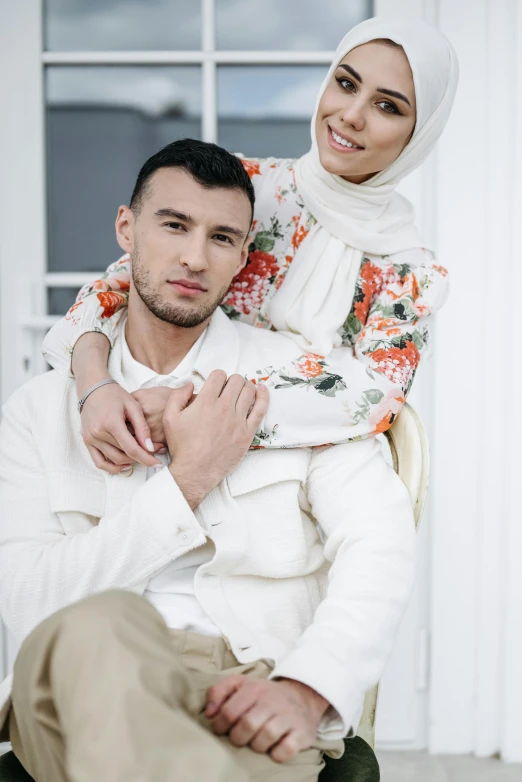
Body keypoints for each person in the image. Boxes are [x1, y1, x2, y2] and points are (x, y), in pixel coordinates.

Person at [0, 139, 415, 782]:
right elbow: (31, 607)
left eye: (222, 237)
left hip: (250, 683)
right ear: (126, 229)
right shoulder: (39, 410)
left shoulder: (303, 388)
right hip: (87, 674)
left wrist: (307, 687)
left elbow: (378, 547)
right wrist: (187, 480)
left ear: (243, 255)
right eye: (173, 225)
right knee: (104, 625)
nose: (195, 257)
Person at [41, 17, 458, 473]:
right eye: (345, 83)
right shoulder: (249, 193)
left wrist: (196, 413)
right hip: (140, 433)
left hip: (292, 474)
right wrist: (95, 384)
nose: (352, 114)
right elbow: (116, 288)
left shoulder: (409, 275)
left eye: (387, 107)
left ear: (420, 134)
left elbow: (374, 399)